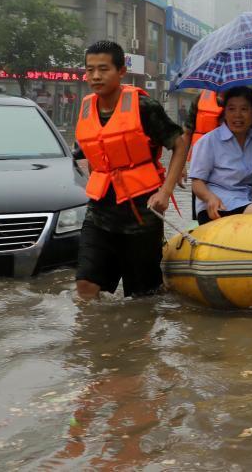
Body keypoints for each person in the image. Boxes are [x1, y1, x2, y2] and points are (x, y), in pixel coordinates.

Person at [74, 40, 188, 301]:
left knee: (143, 298)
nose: (95, 76)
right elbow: (91, 157)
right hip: (100, 214)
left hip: (141, 214)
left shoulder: (144, 108)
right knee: (86, 287)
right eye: (90, 70)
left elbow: (179, 145)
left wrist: (165, 191)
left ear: (121, 71)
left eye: (103, 69)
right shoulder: (85, 108)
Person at [188, 86, 252, 224]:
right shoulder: (209, 141)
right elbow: (197, 182)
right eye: (231, 109)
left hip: (247, 200)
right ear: (224, 113)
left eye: (244, 109)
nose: (237, 115)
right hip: (219, 207)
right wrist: (209, 198)